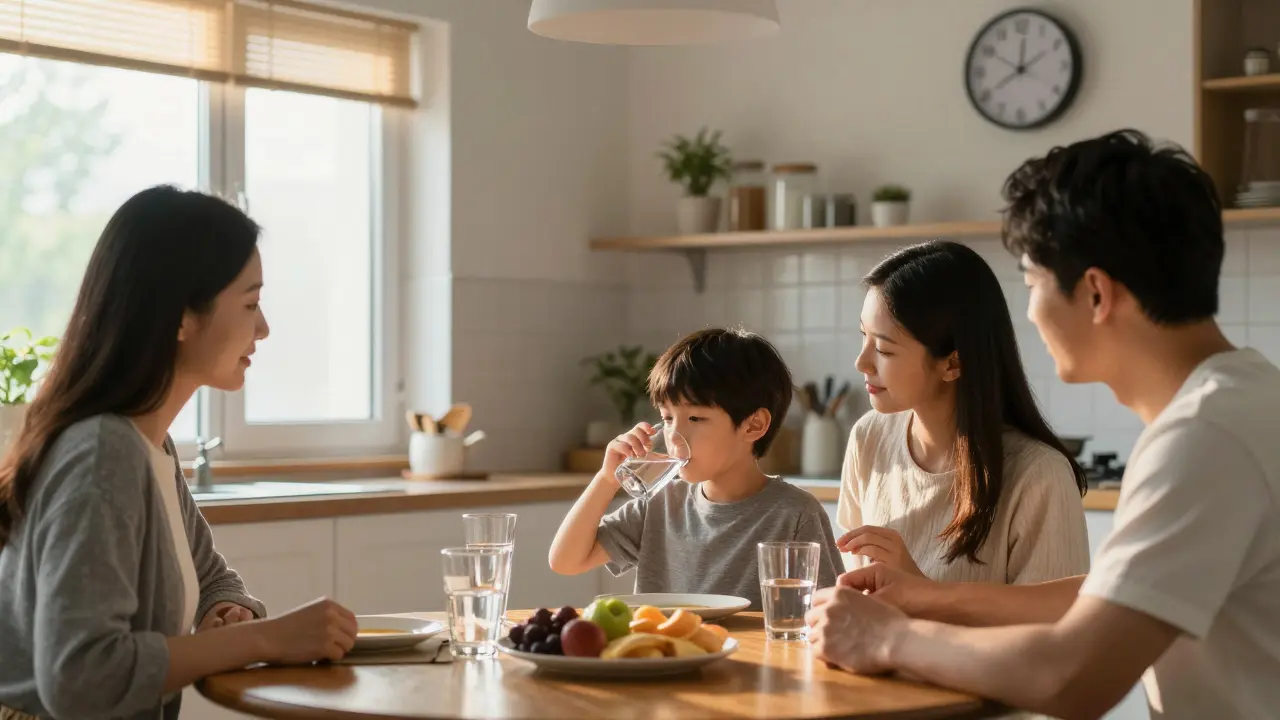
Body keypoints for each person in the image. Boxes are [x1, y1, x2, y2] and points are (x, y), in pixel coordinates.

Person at [806, 129, 1280, 720]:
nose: (1028, 312)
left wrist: (887, 638)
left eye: (1033, 282)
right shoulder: (1244, 402)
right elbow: (1096, 596)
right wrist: (929, 596)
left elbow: (1070, 679)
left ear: (1096, 294)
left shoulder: (1204, 439)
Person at [0, 186, 358, 720]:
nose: (263, 328)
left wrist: (228, 610)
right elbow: (79, 678)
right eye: (250, 303)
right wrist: (265, 639)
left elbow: (212, 576)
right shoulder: (103, 454)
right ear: (182, 317)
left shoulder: (149, 443)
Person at [837, 240, 1089, 585]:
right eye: (863, 336)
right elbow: (858, 587)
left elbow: (1058, 620)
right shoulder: (869, 437)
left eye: (883, 348)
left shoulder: (1040, 476)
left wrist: (918, 589)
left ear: (953, 363)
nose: (861, 362)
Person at [549, 327, 842, 608]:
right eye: (667, 418)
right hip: (665, 644)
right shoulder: (660, 504)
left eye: (695, 419)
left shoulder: (795, 514)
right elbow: (566, 561)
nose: (674, 435)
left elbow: (830, 611)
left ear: (753, 425)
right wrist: (606, 479)